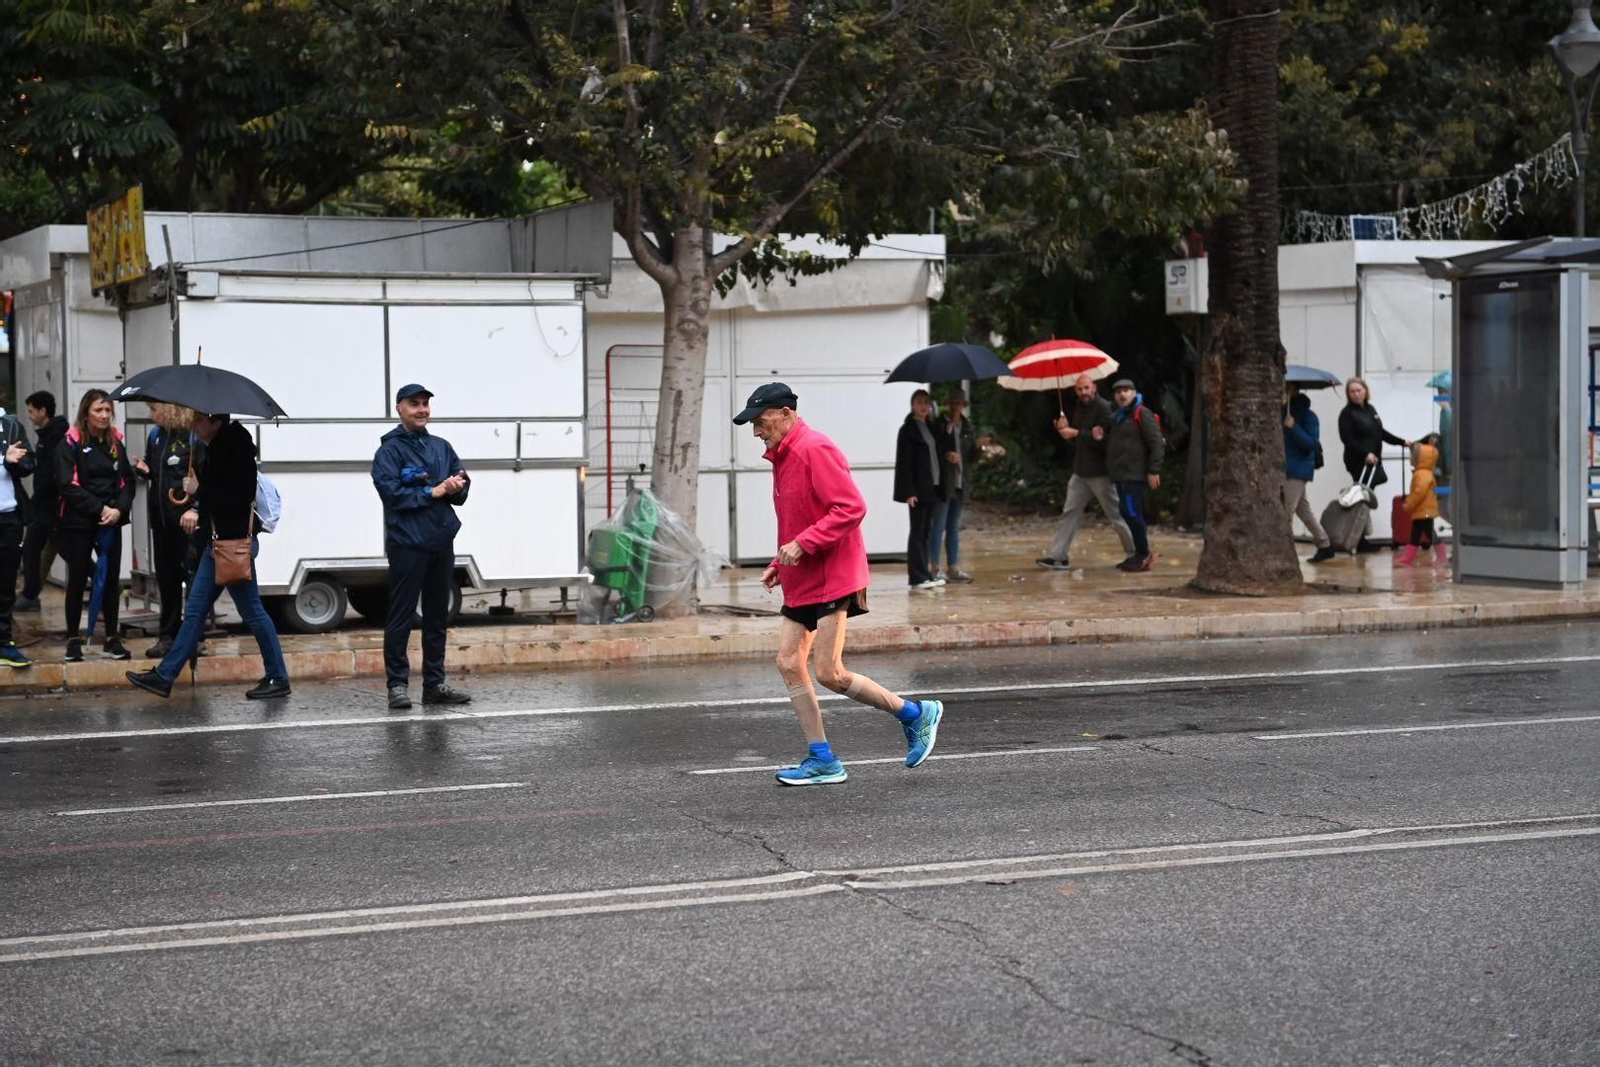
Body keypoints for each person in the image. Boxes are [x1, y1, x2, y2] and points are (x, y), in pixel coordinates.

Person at [734, 382, 944, 786]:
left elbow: (851, 507)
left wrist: (802, 544)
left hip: (834, 576)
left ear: (787, 414)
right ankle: (823, 759)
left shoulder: (816, 448)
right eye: (753, 425)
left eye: (761, 422)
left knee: (829, 672)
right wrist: (781, 561)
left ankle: (917, 714)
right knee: (788, 662)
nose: (757, 432)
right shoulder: (782, 457)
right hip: (803, 576)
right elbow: (798, 517)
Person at [126, 410, 290, 699]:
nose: (194, 425)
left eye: (200, 420)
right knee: (196, 612)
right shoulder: (215, 447)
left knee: (251, 612)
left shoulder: (235, 449)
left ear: (216, 423)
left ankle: (278, 677)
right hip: (217, 546)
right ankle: (165, 675)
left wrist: (199, 490)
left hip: (231, 546)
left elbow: (235, 499)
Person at [372, 383, 471, 710]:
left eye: (425, 404)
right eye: (414, 404)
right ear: (399, 408)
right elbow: (392, 494)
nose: (422, 410)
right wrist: (434, 492)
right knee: (401, 616)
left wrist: (457, 487)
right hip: (407, 544)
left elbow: (461, 490)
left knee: (436, 617)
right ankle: (397, 686)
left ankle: (434, 684)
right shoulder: (389, 451)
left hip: (441, 542)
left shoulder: (442, 447)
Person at [54, 390, 134, 662]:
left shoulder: (115, 442)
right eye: (98, 410)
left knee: (111, 580)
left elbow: (127, 482)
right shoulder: (70, 443)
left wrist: (117, 510)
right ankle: (73, 639)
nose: (104, 416)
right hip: (79, 521)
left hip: (111, 519)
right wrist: (98, 509)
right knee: (77, 579)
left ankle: (112, 638)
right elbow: (67, 485)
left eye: (107, 411)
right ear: (86, 413)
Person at [1037, 374, 1135, 570]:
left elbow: (1107, 440)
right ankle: (1059, 556)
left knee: (1116, 514)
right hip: (1081, 472)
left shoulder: (1104, 408)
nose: (1084, 392)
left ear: (1094, 388)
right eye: (1080, 389)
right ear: (1076, 391)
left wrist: (1076, 433)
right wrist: (1065, 432)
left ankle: (1136, 552)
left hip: (1100, 472)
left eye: (1086, 388)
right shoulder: (1078, 408)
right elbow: (1079, 442)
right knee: (1069, 512)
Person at [134, 406, 204, 659]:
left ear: (169, 409)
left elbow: (208, 479)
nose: (151, 413)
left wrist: (196, 508)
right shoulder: (155, 435)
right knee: (167, 580)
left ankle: (196, 637)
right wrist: (145, 470)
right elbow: (157, 470)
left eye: (154, 409)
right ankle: (168, 636)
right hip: (161, 520)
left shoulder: (194, 437)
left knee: (194, 580)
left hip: (187, 522)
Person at [1336, 377, 1410, 554]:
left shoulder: (1370, 410)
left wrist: (1401, 442)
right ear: (1348, 394)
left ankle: (1361, 537)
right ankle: (1358, 539)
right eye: (1352, 391)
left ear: (1365, 391)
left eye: (1359, 390)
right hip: (1358, 462)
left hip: (1373, 461)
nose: (1356, 394)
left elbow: (1380, 433)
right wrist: (1365, 454)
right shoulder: (1347, 414)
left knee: (1366, 499)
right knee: (1361, 499)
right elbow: (1347, 439)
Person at [1105, 378, 1164, 572]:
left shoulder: (1142, 414)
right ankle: (1139, 554)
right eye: (1118, 392)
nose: (1122, 395)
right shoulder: (1118, 417)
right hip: (1121, 474)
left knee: (1129, 511)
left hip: (1135, 474)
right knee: (1127, 511)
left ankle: (1144, 553)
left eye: (1126, 391)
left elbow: (1156, 442)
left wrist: (1154, 470)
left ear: (1134, 392)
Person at [17, 391, 67, 612]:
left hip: (53, 507)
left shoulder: (56, 436)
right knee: (30, 549)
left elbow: (53, 475)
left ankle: (103, 587)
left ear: (42, 411)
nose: (29, 416)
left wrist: (37, 498)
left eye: (31, 411)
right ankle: (29, 595)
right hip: (43, 508)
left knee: (70, 551)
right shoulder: (46, 436)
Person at [893, 388, 947, 590]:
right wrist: (908, 492)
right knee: (917, 533)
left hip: (932, 487)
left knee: (926, 532)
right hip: (917, 490)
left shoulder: (933, 427)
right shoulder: (907, 430)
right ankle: (916, 577)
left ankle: (926, 574)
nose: (923, 406)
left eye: (926, 402)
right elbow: (904, 463)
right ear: (912, 406)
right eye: (919, 402)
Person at [926, 388, 977, 583]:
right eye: (953, 403)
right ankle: (934, 567)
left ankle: (953, 567)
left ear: (964, 405)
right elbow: (934, 450)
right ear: (948, 404)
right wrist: (947, 451)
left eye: (959, 403)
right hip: (944, 482)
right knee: (938, 526)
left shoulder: (968, 426)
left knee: (953, 527)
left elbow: (972, 456)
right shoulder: (939, 424)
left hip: (961, 481)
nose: (956, 406)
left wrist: (978, 448)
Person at [0, 402, 37, 667]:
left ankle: (3, 643)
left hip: (9, 516)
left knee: (5, 585)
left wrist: (18, 461)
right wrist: (3, 458)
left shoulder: (11, 425)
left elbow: (30, 463)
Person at [1284, 385, 1336, 564]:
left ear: (1293, 390)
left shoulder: (1308, 416)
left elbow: (1311, 443)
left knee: (1286, 511)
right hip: (1285, 468)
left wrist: (1293, 427)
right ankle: (1324, 544)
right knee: (1303, 510)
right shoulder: (1281, 414)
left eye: (1286, 389)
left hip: (1297, 469)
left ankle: (1284, 553)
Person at [1396, 435, 1446, 568]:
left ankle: (1441, 555)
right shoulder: (1425, 472)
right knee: (1417, 533)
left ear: (1420, 459)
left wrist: (1409, 503)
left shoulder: (1422, 474)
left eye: (1413, 456)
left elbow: (1419, 492)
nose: (1410, 458)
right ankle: (1409, 557)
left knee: (1428, 533)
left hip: (1424, 510)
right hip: (1424, 510)